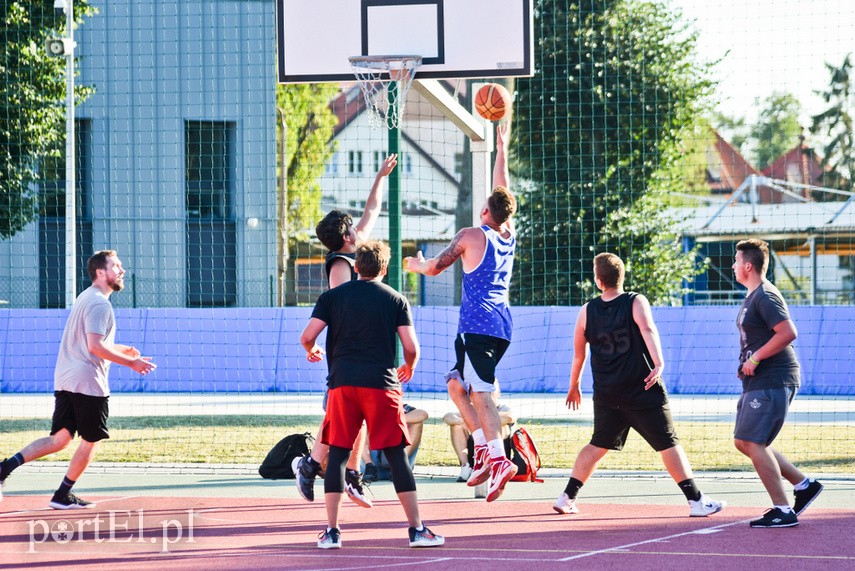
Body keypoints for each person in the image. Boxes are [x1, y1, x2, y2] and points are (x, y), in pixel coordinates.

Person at [553, 253, 725, 518]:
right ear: (622, 276)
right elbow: (648, 329)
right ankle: (696, 501)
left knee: (597, 444)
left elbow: (579, 354)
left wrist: (573, 385)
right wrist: (659, 363)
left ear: (599, 281)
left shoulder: (587, 310)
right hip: (641, 387)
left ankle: (567, 497)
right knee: (669, 443)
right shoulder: (635, 301)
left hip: (608, 392)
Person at [300, 240, 444, 549]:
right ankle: (417, 529)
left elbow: (307, 336)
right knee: (395, 455)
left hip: (343, 384)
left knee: (337, 454)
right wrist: (410, 366)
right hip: (382, 384)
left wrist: (312, 349)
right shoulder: (395, 299)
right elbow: (411, 347)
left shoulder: (331, 297)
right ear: (384, 269)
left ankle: (332, 532)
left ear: (354, 267)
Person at [405, 121, 518, 502]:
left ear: (485, 208)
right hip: (497, 324)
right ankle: (485, 449)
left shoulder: (471, 235)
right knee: (456, 383)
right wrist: (501, 151)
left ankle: (499, 458)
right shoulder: (507, 232)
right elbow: (503, 193)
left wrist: (417, 265)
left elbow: (436, 267)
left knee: (481, 394)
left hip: (479, 325)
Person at [0, 250, 156, 508]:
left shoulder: (87, 297)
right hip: (88, 382)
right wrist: (132, 363)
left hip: (66, 378)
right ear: (100, 272)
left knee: (59, 439)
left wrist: (121, 349)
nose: (122, 270)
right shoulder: (100, 304)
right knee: (91, 439)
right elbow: (94, 347)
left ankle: (4, 468)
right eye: (116, 266)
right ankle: (62, 495)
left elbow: (90, 343)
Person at [293, 154, 398, 509]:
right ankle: (311, 466)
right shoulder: (340, 265)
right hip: (346, 353)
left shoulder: (356, 251)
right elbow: (338, 309)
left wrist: (380, 176)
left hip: (363, 352)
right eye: (353, 226)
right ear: (346, 236)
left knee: (355, 416)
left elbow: (372, 210)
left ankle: (348, 473)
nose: (360, 227)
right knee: (338, 419)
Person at [731, 239, 823, 528]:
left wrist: (755, 359)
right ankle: (803, 484)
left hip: (774, 378)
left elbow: (788, 332)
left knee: (754, 442)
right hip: (759, 380)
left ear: (748, 265)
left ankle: (782, 510)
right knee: (744, 442)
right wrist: (746, 363)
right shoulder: (753, 296)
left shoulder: (766, 296)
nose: (732, 266)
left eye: (735, 261)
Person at [443, 386, 516, 482]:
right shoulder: (473, 409)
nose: (487, 394)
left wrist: (478, 419)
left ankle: (497, 465)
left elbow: (509, 417)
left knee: (499, 425)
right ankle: (466, 467)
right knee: (456, 426)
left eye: (491, 391)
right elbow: (448, 417)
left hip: (498, 451)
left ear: (498, 393)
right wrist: (462, 422)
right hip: (475, 453)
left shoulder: (504, 409)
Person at [363, 403, 428, 483]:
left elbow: (423, 414)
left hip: (399, 465)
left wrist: (393, 420)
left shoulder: (402, 407)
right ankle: (369, 466)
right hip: (371, 467)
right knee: (361, 423)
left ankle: (400, 465)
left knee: (417, 422)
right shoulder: (370, 406)